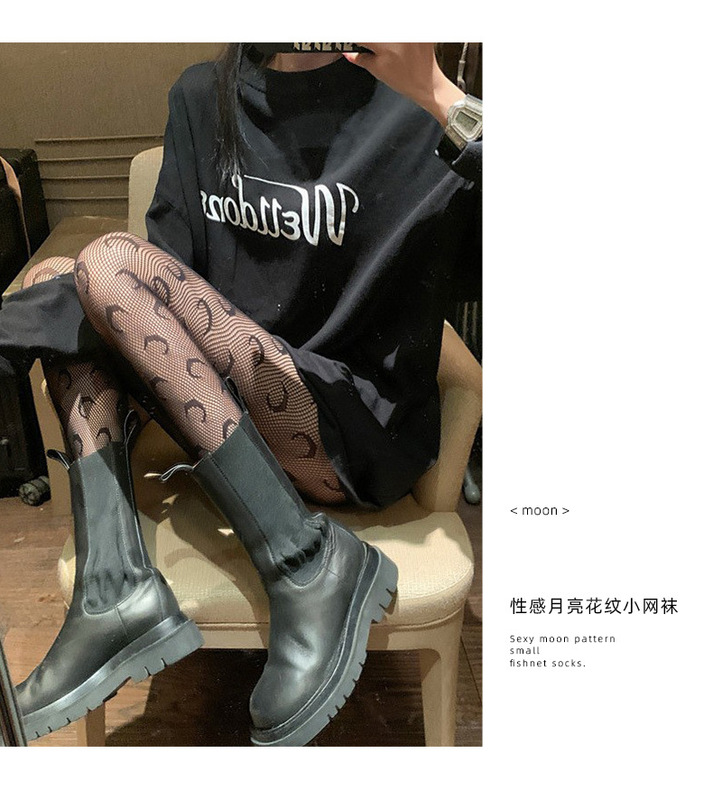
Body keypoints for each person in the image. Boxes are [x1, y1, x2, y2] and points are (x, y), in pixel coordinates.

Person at [0, 42, 482, 746]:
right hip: (220, 411)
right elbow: (161, 281)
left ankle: (303, 559)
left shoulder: (412, 105)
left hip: (345, 426)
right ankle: (113, 587)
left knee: (101, 261)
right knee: (63, 276)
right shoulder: (203, 96)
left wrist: (439, 94)